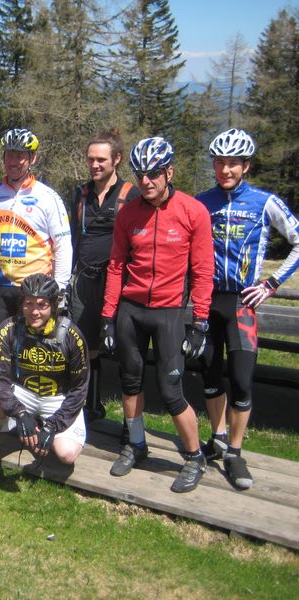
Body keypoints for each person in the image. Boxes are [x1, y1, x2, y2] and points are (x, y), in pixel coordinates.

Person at [101, 136, 214, 494]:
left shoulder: (193, 211)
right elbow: (116, 266)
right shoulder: (128, 213)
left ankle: (194, 457)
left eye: (153, 174)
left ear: (169, 172)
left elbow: (203, 271)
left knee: (170, 390)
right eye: (140, 175)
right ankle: (136, 444)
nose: (146, 181)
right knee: (130, 382)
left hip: (169, 313)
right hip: (131, 311)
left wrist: (200, 322)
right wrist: (107, 316)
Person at [196, 128, 299, 490]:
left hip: (241, 303)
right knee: (209, 376)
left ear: (246, 166)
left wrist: (272, 284)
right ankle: (218, 438)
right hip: (207, 301)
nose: (225, 170)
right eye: (219, 163)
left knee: (241, 380)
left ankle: (235, 453)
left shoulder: (264, 201)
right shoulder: (201, 202)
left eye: (233, 164)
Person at [0, 274, 88, 501]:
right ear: (21, 304)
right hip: (22, 391)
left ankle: (39, 425)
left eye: (42, 305)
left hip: (58, 397)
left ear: (54, 306)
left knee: (67, 454)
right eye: (29, 304)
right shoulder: (9, 329)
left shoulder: (72, 336)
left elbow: (79, 391)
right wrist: (20, 412)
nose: (34, 312)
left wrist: (53, 426)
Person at [0, 128, 73, 348]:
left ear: (32, 158)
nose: (14, 161)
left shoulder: (47, 197)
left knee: (34, 348)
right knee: (1, 348)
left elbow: (63, 245)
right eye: (10, 155)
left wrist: (60, 287)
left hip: (34, 287)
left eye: (20, 156)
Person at [69, 129, 137, 422]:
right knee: (84, 345)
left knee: (124, 349)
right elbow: (73, 236)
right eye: (90, 159)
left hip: (118, 283)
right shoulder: (80, 194)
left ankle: (130, 420)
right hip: (84, 281)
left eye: (101, 160)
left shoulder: (130, 195)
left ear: (117, 159)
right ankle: (91, 405)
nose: (94, 165)